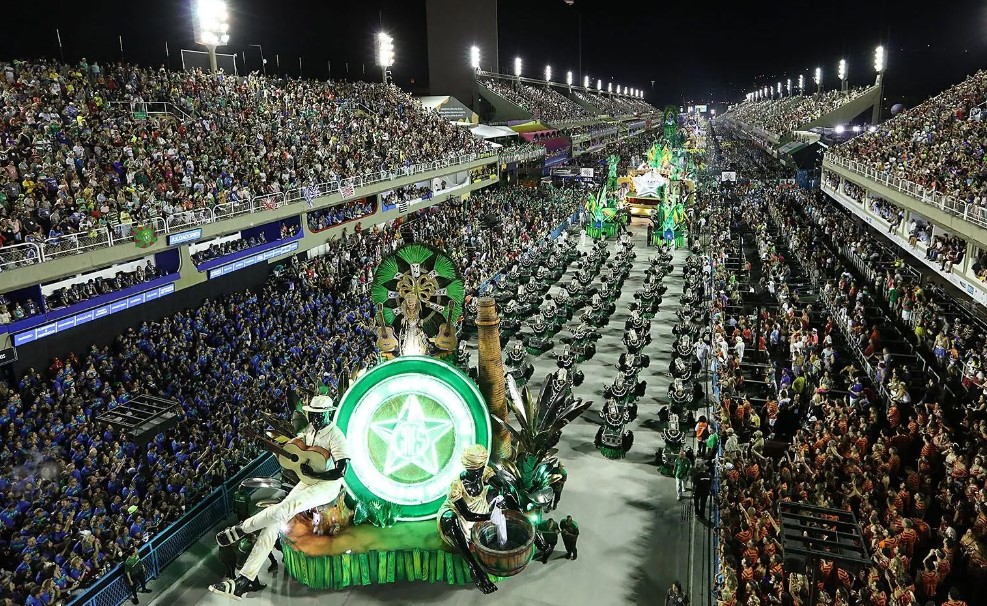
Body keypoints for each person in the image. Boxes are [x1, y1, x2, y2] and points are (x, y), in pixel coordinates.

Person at [210, 396, 350, 599]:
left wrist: (316, 474)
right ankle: (244, 581)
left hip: (327, 486)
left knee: (285, 508)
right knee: (274, 522)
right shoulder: (310, 430)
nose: (315, 419)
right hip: (309, 479)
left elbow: (341, 470)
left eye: (319, 415)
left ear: (328, 413)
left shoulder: (336, 435)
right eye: (312, 414)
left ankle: (240, 530)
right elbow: (296, 451)